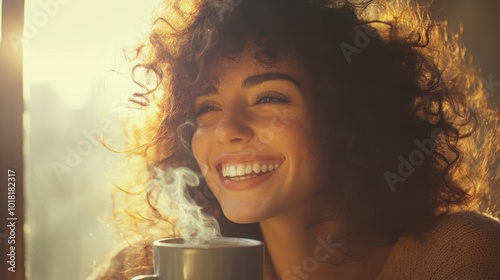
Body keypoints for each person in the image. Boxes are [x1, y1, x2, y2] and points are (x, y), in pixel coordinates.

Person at [87, 0, 500, 279]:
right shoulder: (135, 265)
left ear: (347, 117)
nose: (228, 129)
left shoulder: (465, 254)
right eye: (206, 108)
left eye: (269, 97)